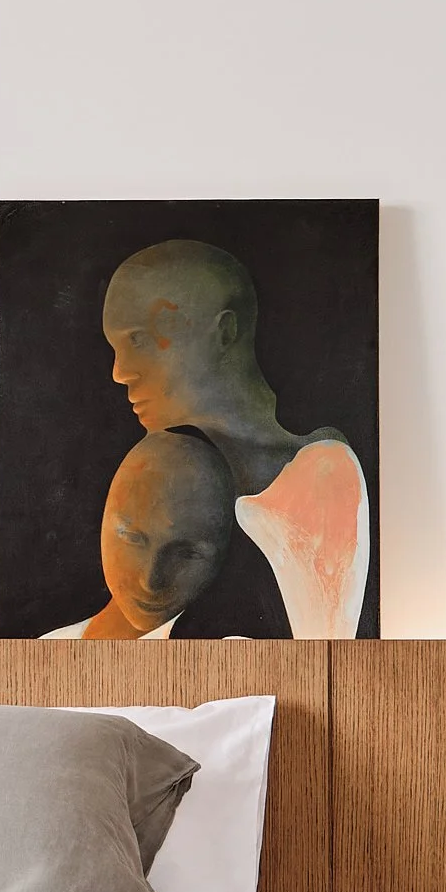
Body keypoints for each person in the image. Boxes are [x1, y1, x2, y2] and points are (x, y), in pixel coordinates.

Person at [57, 240, 370, 640]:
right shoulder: (178, 472)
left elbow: (322, 657)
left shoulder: (318, 469)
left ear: (225, 331)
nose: (120, 372)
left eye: (139, 340)